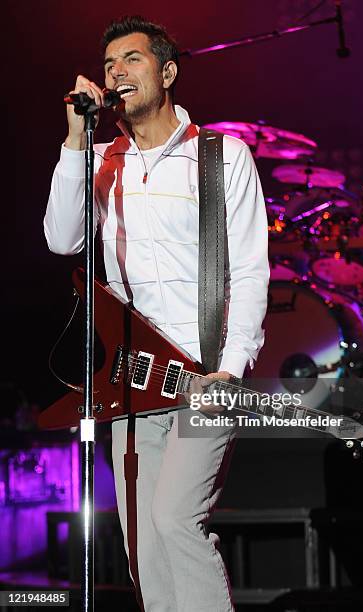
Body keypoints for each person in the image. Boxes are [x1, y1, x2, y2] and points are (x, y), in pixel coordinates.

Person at [44, 15, 269, 612]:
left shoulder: (222, 157)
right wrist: (74, 138)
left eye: (132, 59)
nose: (117, 71)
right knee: (142, 541)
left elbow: (248, 268)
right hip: (133, 380)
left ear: (167, 72)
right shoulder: (100, 163)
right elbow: (62, 238)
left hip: (205, 375)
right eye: (109, 63)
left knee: (174, 519)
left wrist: (233, 365)